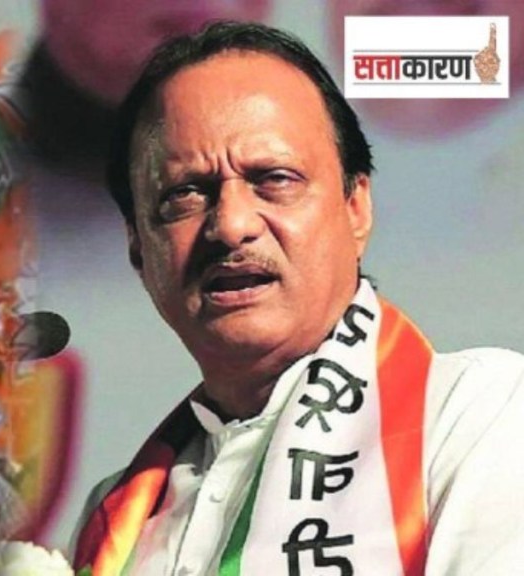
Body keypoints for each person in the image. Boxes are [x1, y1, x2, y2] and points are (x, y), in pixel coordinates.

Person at [69, 21, 524, 575]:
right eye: (185, 193)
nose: (231, 225)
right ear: (138, 245)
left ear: (356, 207)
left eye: (274, 179)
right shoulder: (114, 520)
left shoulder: (476, 416)